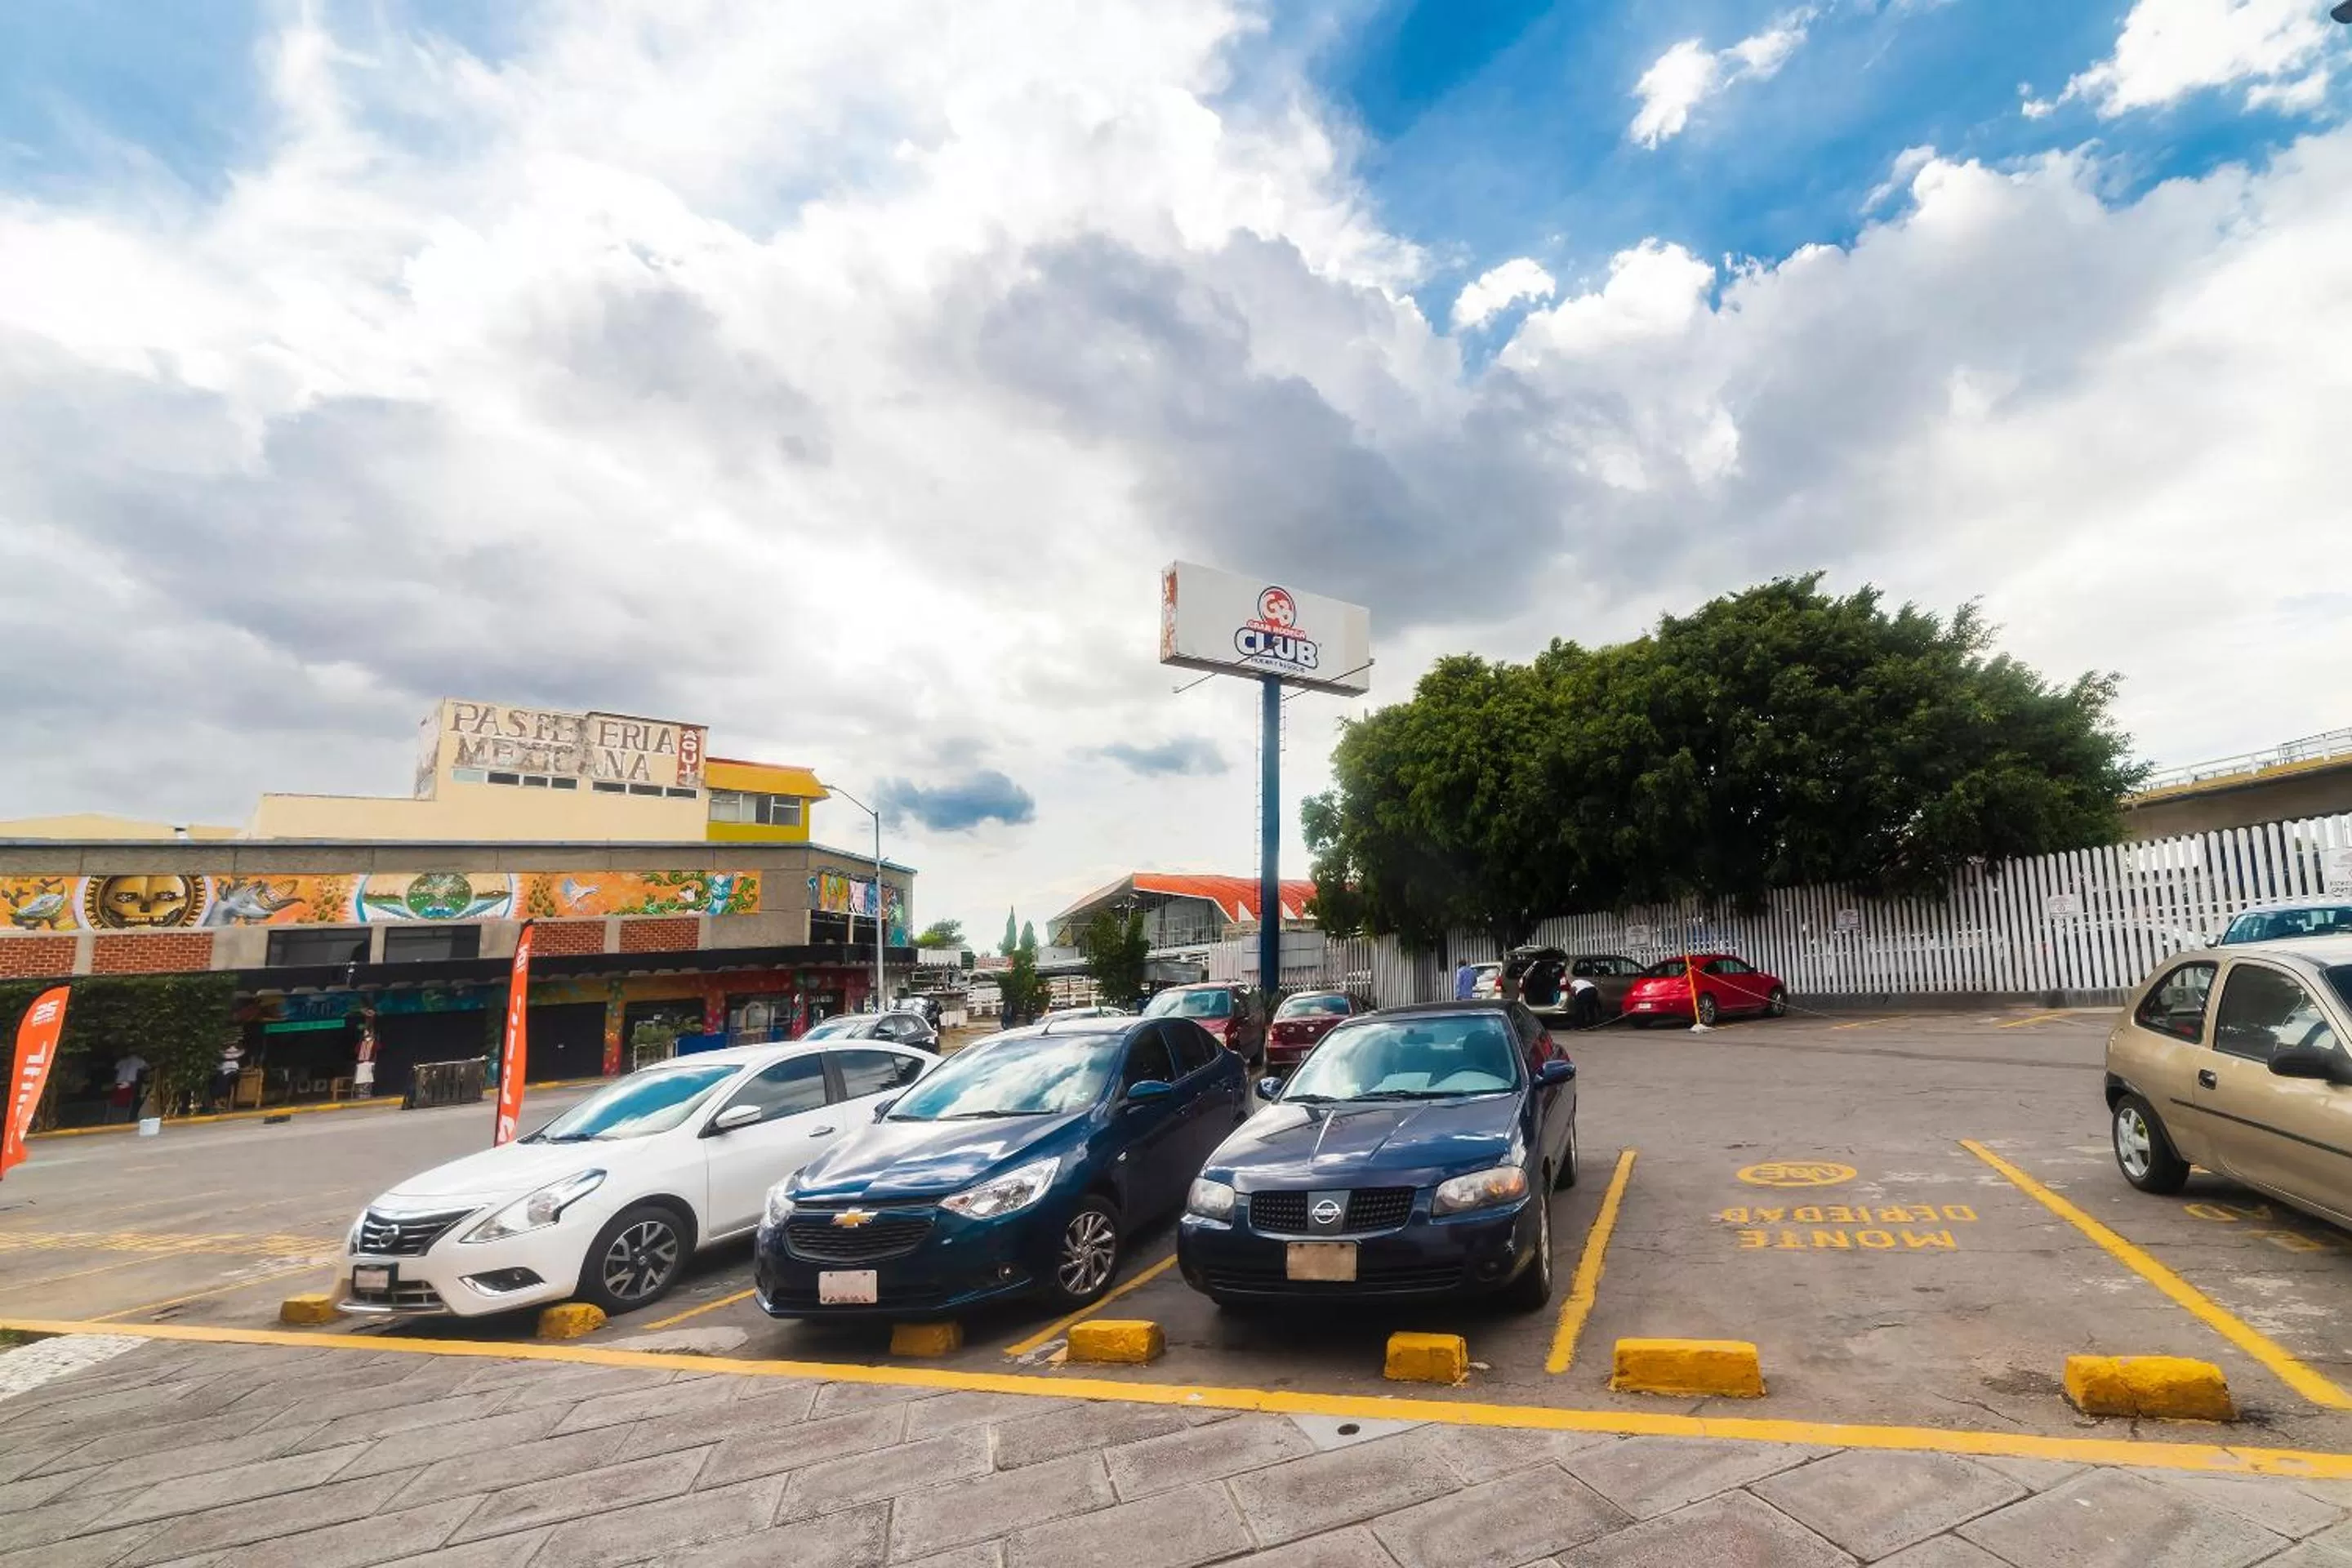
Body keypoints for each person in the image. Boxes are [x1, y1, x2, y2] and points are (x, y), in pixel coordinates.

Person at [110, 1052, 149, 1123]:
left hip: (120, 1082)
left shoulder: (122, 1061)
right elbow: (146, 1068)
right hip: (131, 1082)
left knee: (118, 1100)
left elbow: (116, 1070)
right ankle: (131, 1117)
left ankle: (117, 1116)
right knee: (134, 1100)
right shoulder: (139, 1060)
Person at [353, 1013, 378, 1099]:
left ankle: (366, 1093)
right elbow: (356, 1051)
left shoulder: (372, 1042)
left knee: (368, 1078)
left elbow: (377, 1048)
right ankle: (361, 1093)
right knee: (362, 1078)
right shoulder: (362, 1043)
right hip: (362, 1063)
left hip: (369, 1063)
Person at [213, 1042, 245, 1110]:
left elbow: (238, 1056)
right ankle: (218, 1100)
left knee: (227, 1078)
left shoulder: (237, 1051)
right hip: (222, 1070)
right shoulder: (221, 1051)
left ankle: (223, 1098)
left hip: (232, 1071)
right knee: (217, 1077)